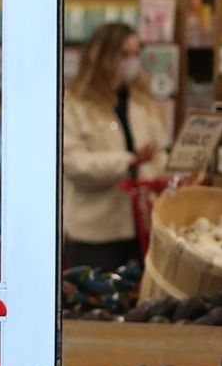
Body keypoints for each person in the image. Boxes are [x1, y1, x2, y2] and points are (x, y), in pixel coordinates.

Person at [61, 20, 168, 271]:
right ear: (103, 57)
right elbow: (74, 164)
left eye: (136, 54)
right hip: (94, 233)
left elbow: (159, 154)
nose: (133, 61)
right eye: (124, 54)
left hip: (141, 228)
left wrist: (173, 174)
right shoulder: (75, 104)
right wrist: (129, 161)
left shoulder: (143, 103)